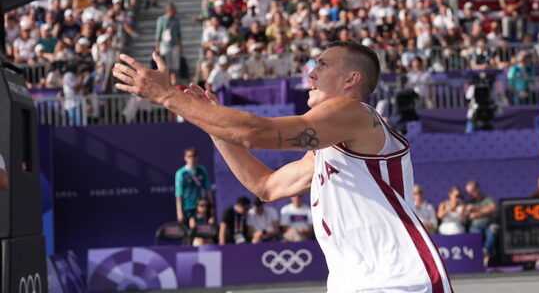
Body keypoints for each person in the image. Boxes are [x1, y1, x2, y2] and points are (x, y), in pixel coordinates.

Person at [113, 41, 452, 291]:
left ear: (351, 79)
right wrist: (212, 127)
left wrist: (168, 97)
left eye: (322, 65)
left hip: (402, 279)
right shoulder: (325, 152)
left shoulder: (355, 114)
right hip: (358, 282)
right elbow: (266, 187)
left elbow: (257, 133)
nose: (311, 73)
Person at [462, 180, 497, 267]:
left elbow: (493, 208)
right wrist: (465, 212)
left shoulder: (487, 199)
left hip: (488, 224)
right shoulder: (468, 202)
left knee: (492, 233)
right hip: (475, 226)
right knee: (475, 234)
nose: (471, 194)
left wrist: (477, 211)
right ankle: (480, 257)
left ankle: (484, 251)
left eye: (473, 191)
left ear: (478, 189)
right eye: (469, 192)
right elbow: (464, 220)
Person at [174, 147, 214, 224]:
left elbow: (208, 189)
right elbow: (179, 194)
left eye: (194, 156)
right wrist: (179, 212)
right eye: (189, 156)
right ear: (185, 158)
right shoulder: (180, 173)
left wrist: (211, 206)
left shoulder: (202, 170)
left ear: (197, 157)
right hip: (187, 207)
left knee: (204, 230)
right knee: (188, 231)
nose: (191, 158)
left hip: (202, 206)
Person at [155, 4, 183, 85]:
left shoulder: (177, 20)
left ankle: (174, 81)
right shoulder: (161, 19)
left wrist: (181, 46)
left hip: (175, 44)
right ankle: (167, 80)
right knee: (165, 64)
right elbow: (158, 33)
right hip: (164, 44)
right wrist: (157, 46)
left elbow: (179, 33)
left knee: (175, 65)